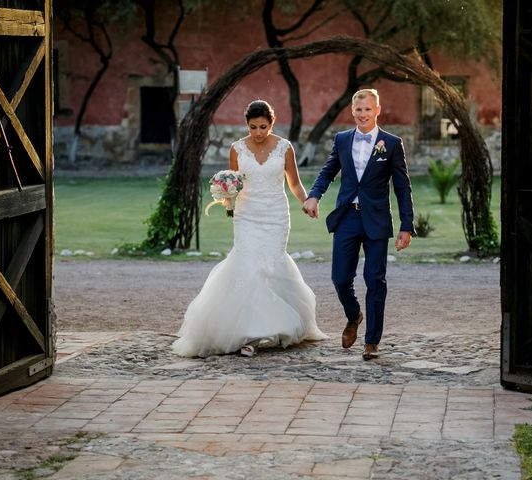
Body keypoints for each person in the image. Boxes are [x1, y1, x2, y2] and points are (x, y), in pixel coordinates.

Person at [172, 100, 328, 357]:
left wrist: (308, 202)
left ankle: (276, 326)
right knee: (248, 267)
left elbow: (295, 183)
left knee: (271, 266)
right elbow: (234, 182)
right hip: (246, 216)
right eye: (253, 127)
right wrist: (227, 195)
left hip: (276, 216)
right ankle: (250, 333)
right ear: (247, 124)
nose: (258, 132)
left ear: (272, 123)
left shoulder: (284, 148)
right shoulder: (237, 149)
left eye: (263, 126)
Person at [303, 89, 415, 361]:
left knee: (375, 280)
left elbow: (402, 187)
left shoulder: (391, 143)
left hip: (376, 220)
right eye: (358, 110)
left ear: (377, 110)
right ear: (352, 112)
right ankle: (354, 316)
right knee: (340, 278)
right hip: (347, 218)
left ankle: (372, 342)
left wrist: (406, 225)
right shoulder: (342, 140)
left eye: (367, 109)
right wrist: (314, 195)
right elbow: (328, 171)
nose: (362, 114)